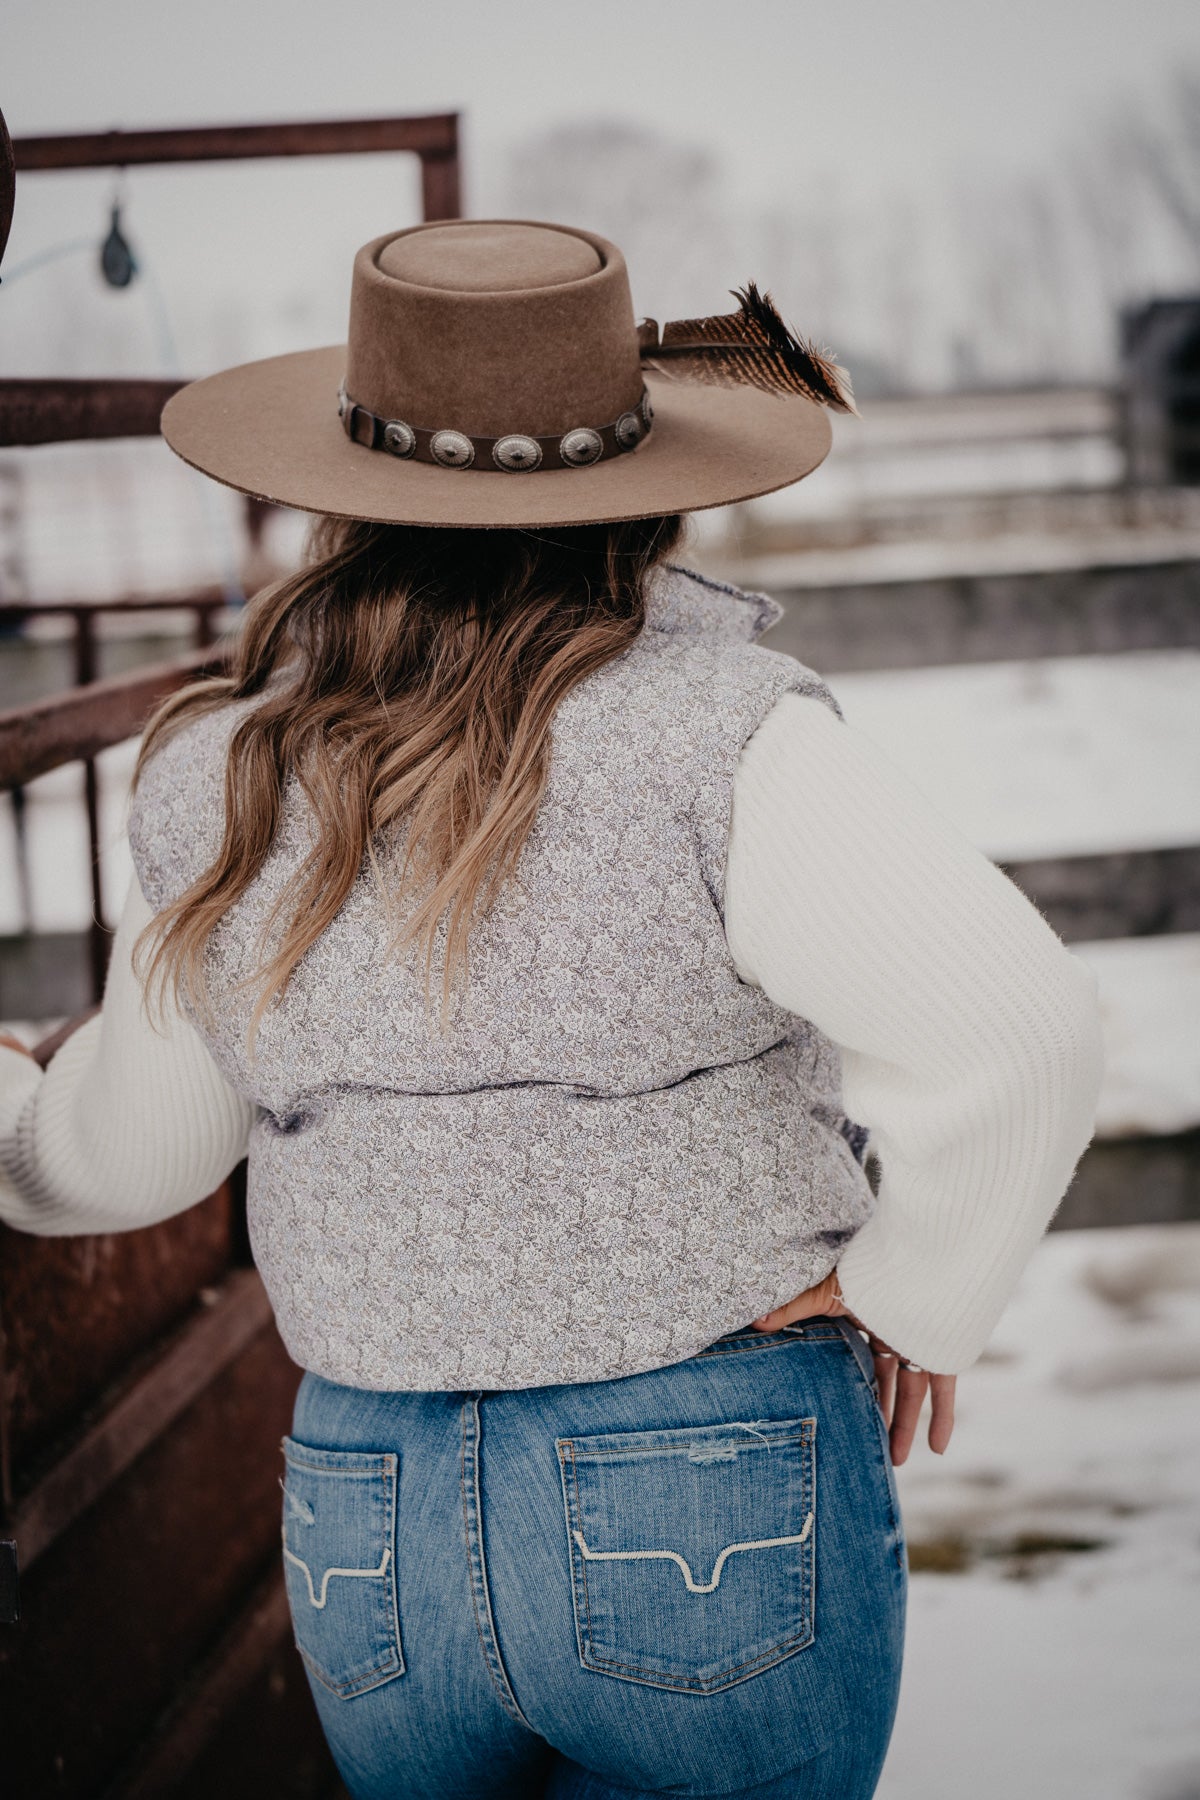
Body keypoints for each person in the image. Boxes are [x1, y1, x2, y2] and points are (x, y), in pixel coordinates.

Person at [0, 220, 1104, 1800]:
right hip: (703, 1469)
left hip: (369, 1515)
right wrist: (914, 1291)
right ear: (644, 488)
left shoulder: (231, 775)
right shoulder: (718, 739)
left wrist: (13, 1119)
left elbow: (129, 1153)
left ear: (344, 491)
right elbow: (1022, 1031)